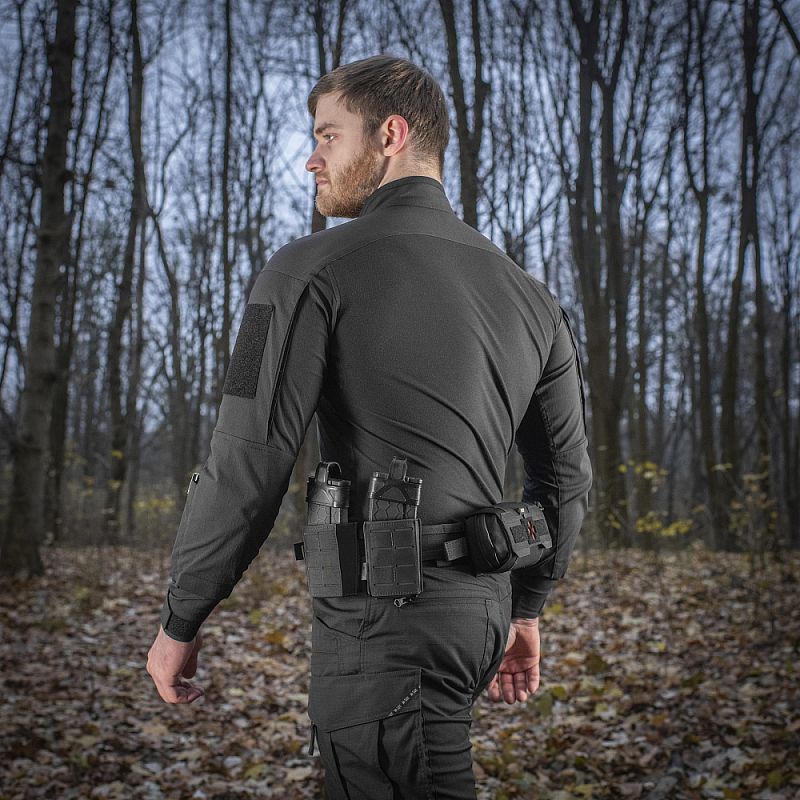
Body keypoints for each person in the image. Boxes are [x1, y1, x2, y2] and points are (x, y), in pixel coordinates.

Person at [146, 54, 592, 799]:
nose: (311, 159)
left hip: (387, 623)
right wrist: (526, 607)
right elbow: (567, 479)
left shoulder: (306, 271)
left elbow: (247, 464)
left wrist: (181, 617)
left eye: (328, 135)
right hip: (478, 613)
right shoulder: (532, 296)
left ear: (390, 135)